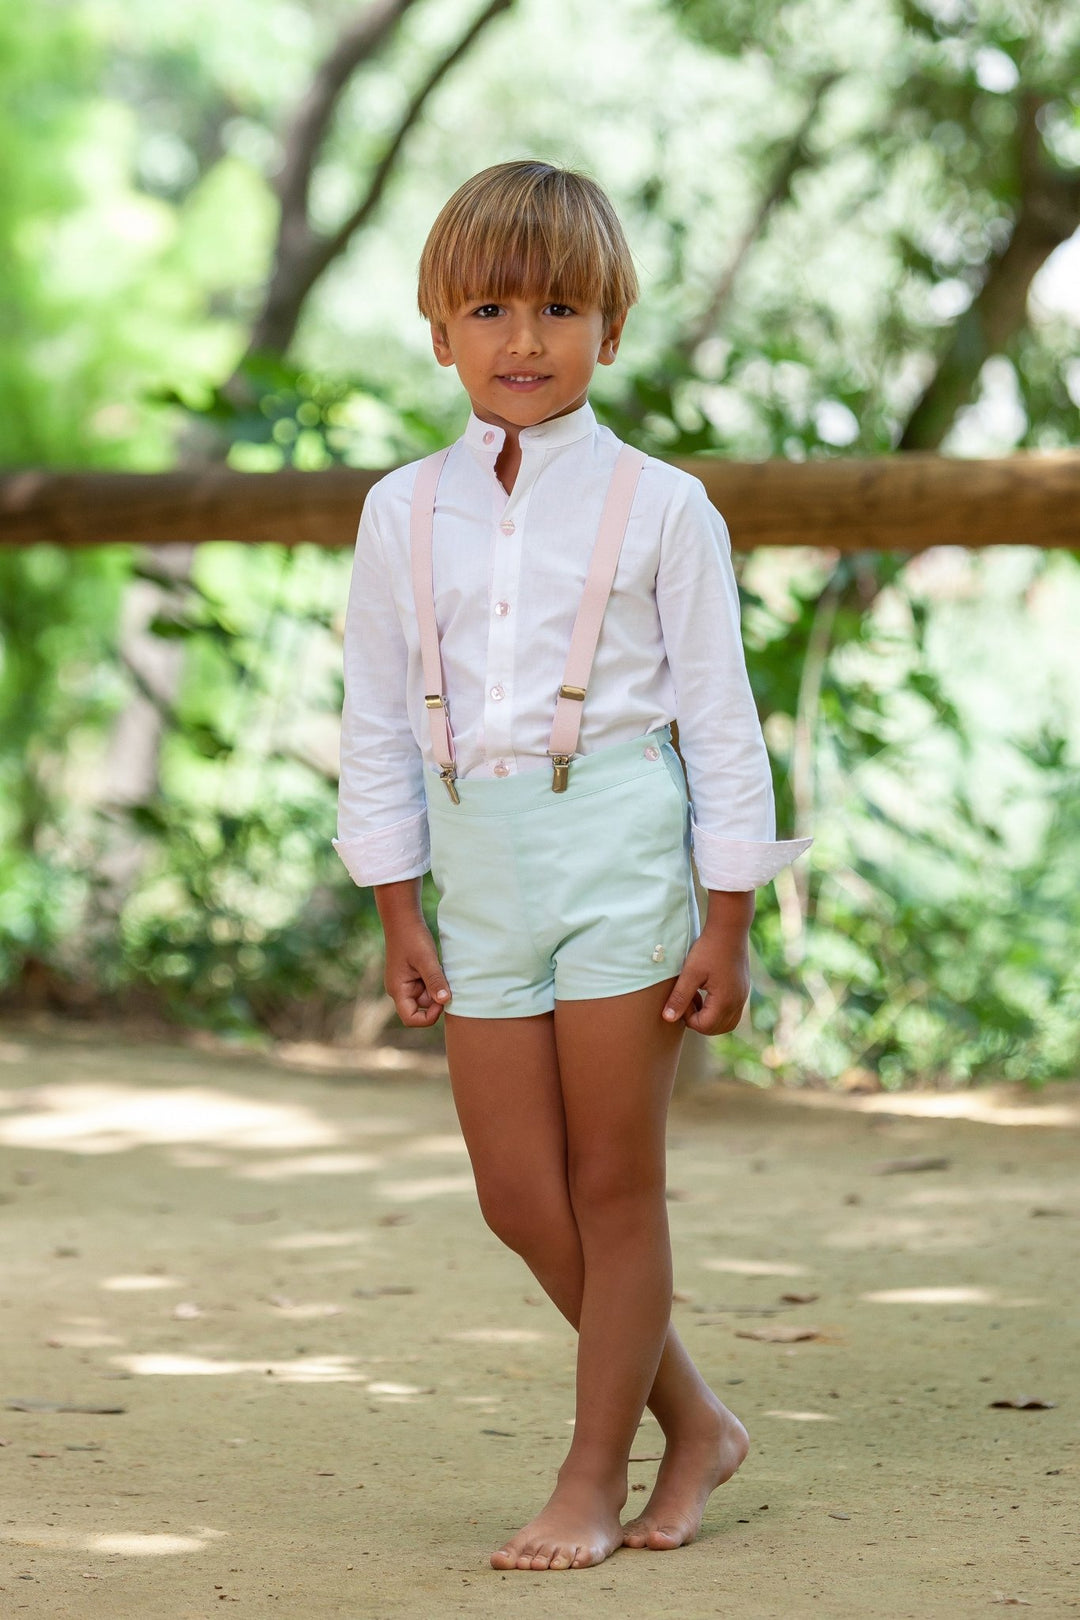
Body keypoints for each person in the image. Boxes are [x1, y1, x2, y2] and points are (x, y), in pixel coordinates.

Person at [334, 159, 810, 1573]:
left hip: (619, 846)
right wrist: (395, 907)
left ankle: (591, 1473)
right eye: (489, 306)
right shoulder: (399, 512)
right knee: (517, 1198)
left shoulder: (665, 508)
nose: (523, 338)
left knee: (614, 1185)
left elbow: (722, 723)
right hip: (476, 867)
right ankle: (700, 1420)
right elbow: (371, 726)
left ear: (611, 329)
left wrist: (727, 920)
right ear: (438, 328)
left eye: (558, 307)